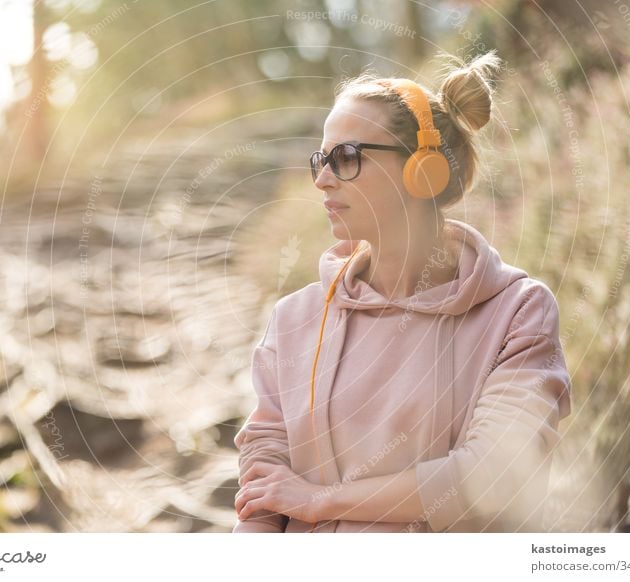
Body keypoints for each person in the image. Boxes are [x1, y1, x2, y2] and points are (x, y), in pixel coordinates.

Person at [232, 50, 572, 533]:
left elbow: (493, 475)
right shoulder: (296, 317)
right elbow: (264, 470)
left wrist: (321, 501)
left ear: (423, 169)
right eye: (320, 160)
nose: (323, 180)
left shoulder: (519, 313)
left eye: (346, 157)